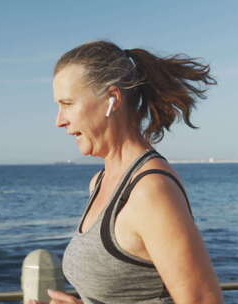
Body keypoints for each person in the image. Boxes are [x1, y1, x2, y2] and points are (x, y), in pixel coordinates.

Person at [30, 40, 223, 304]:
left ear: (112, 99)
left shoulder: (149, 190)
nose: (59, 120)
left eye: (68, 104)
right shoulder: (100, 182)